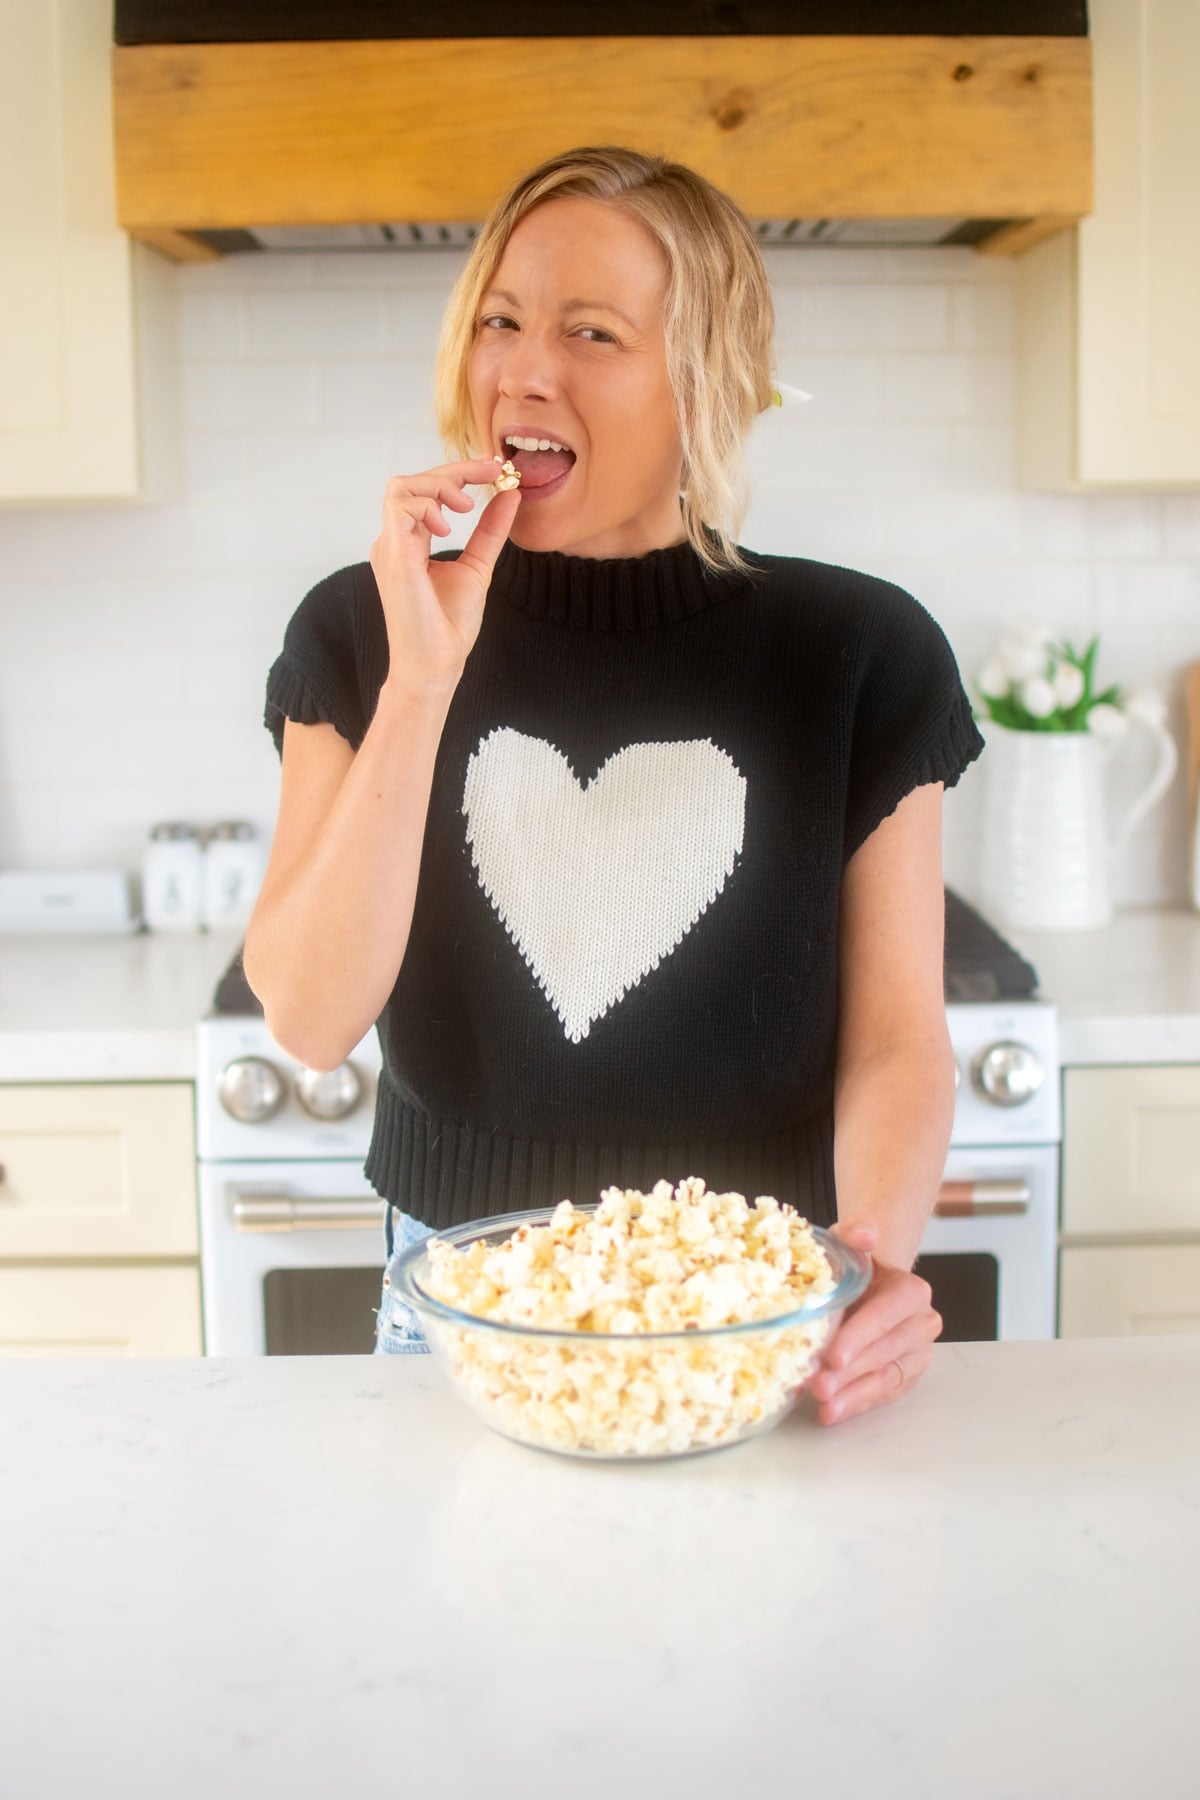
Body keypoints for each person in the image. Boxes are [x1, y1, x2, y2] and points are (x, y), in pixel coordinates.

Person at [244, 145, 984, 1427]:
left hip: (759, 1304)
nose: (525, 371)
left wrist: (869, 1259)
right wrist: (424, 680)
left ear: (705, 385)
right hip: (458, 1318)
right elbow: (310, 1019)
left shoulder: (860, 652)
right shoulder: (363, 634)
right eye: (501, 320)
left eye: (593, 333)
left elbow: (897, 1036)